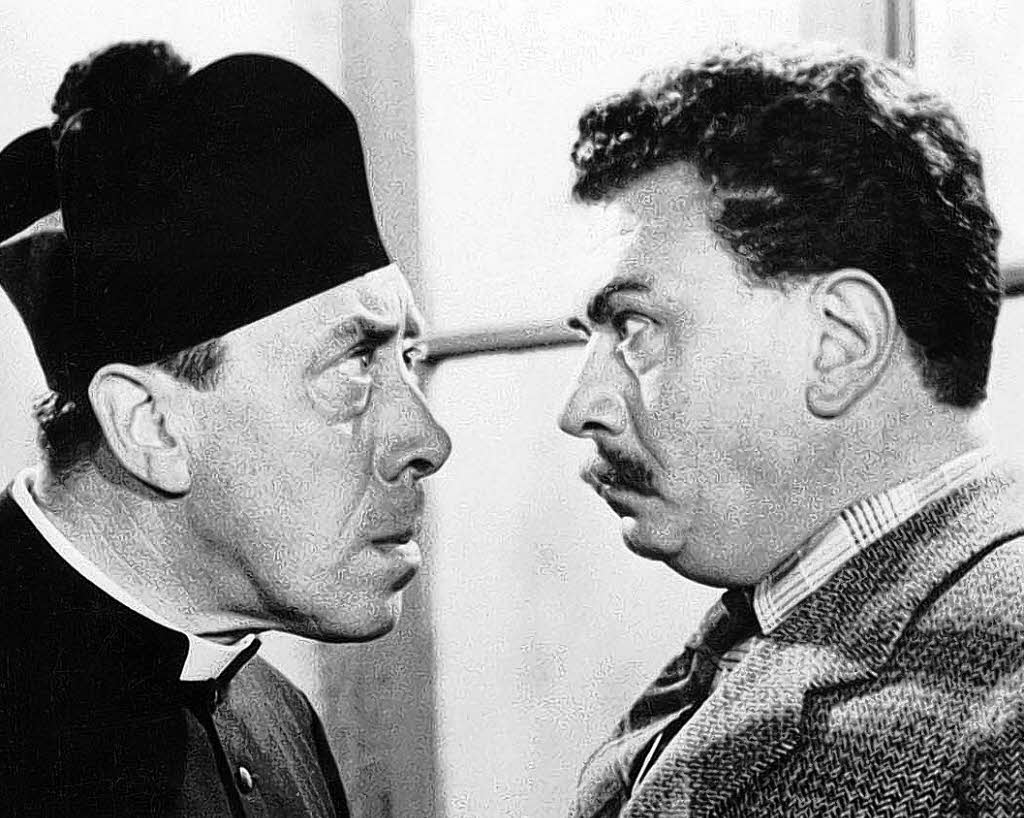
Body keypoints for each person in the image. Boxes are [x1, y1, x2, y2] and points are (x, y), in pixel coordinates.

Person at [558, 43, 1024, 816]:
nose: (580, 407)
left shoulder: (1006, 692)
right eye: (590, 338)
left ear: (838, 343)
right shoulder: (779, 615)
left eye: (635, 326)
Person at [0, 41, 450, 816]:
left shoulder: (278, 718)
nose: (428, 441)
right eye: (352, 363)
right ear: (152, 427)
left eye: (407, 357)